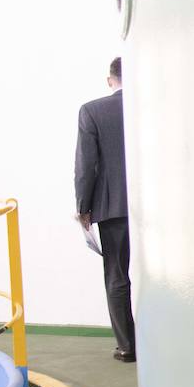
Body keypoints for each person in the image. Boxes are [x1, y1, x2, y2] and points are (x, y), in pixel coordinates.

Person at [75, 57, 136, 363]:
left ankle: (127, 347)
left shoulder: (93, 110)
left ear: (110, 79)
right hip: (158, 210)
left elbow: (86, 166)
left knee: (117, 276)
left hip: (113, 208)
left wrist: (83, 207)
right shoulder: (154, 105)